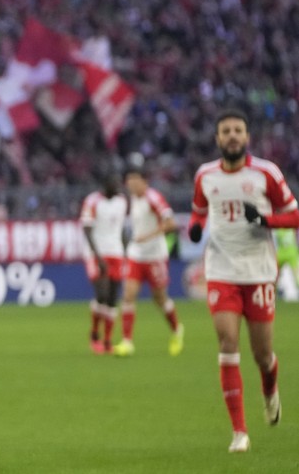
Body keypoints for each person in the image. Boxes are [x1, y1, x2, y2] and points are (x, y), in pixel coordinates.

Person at [188, 108, 299, 453]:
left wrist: (266, 220)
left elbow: (294, 214)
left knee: (262, 354)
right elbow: (199, 210)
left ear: (246, 137)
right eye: (226, 131)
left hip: (259, 272)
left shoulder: (266, 173)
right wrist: (195, 227)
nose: (232, 135)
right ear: (218, 138)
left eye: (238, 130)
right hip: (222, 271)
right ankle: (239, 431)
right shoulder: (205, 175)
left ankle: (270, 391)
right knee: (227, 345)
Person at [112, 167, 184, 357]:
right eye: (128, 180)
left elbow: (171, 224)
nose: (130, 184)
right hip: (136, 254)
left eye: (134, 180)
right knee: (128, 295)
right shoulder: (133, 199)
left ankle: (177, 330)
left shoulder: (154, 198)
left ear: (144, 181)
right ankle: (127, 342)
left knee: (159, 298)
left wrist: (148, 236)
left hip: (155, 256)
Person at [79, 174, 127, 355]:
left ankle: (107, 341)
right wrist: (97, 257)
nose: (118, 186)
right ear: (106, 184)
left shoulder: (121, 201)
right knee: (102, 294)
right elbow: (87, 229)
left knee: (113, 298)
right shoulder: (92, 201)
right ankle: (94, 335)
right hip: (96, 254)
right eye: (115, 182)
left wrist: (126, 250)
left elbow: (121, 229)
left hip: (116, 253)